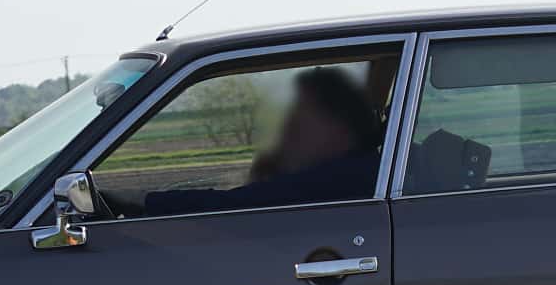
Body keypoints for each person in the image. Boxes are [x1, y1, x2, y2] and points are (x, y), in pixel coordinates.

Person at [135, 65, 383, 215]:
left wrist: (145, 201)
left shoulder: (339, 176)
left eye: (301, 121)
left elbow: (234, 205)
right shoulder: (365, 168)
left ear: (339, 126)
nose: (289, 130)